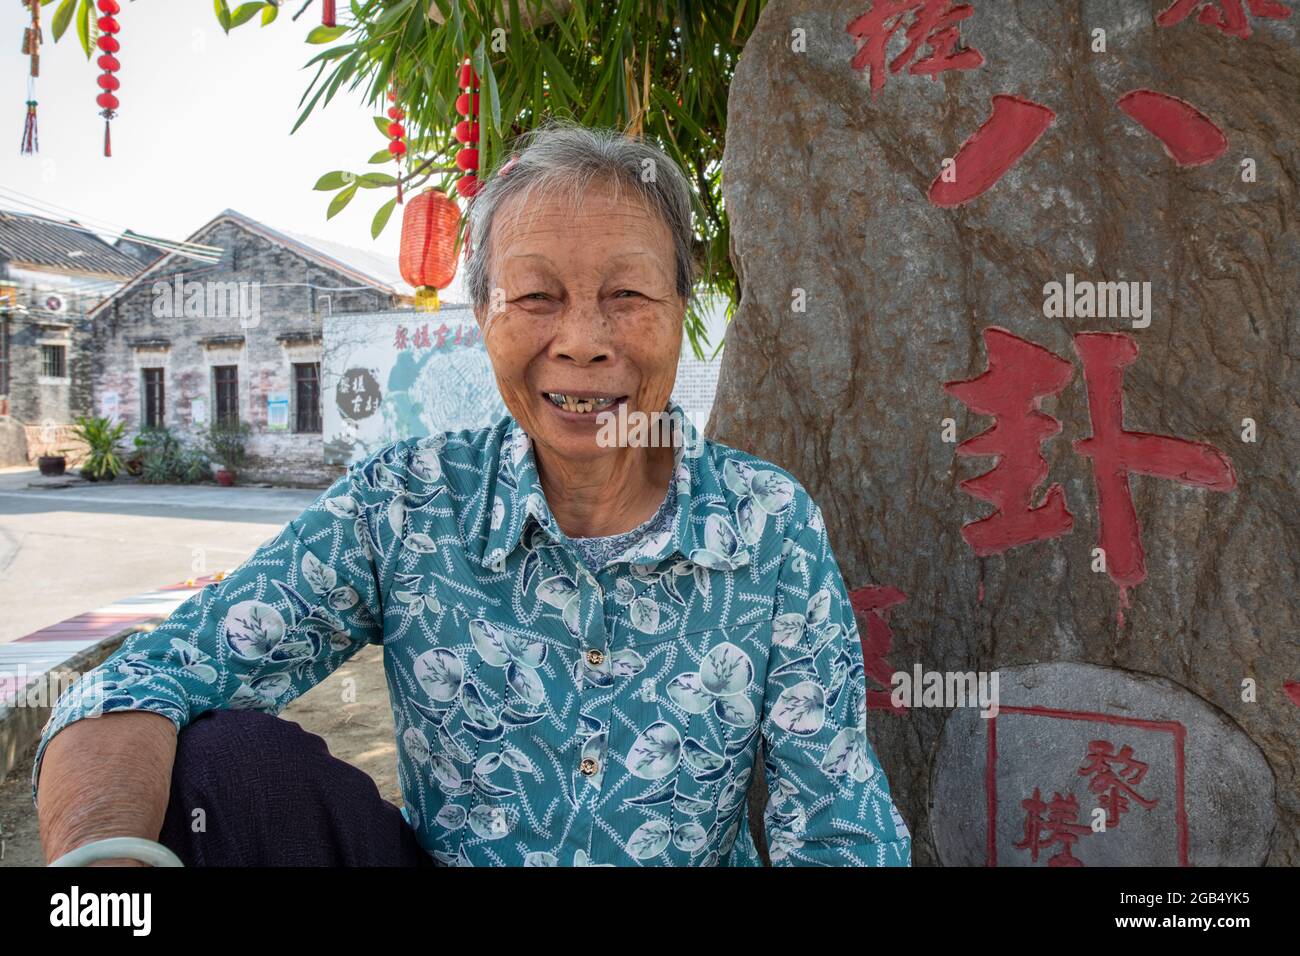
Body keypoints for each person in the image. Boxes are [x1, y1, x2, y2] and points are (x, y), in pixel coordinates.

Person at [35, 120, 911, 867]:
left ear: (684, 306)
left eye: (628, 295)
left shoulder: (767, 522)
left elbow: (835, 817)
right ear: (483, 316)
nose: (582, 340)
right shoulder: (407, 504)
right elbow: (140, 682)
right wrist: (103, 880)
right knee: (226, 767)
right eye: (536, 296)